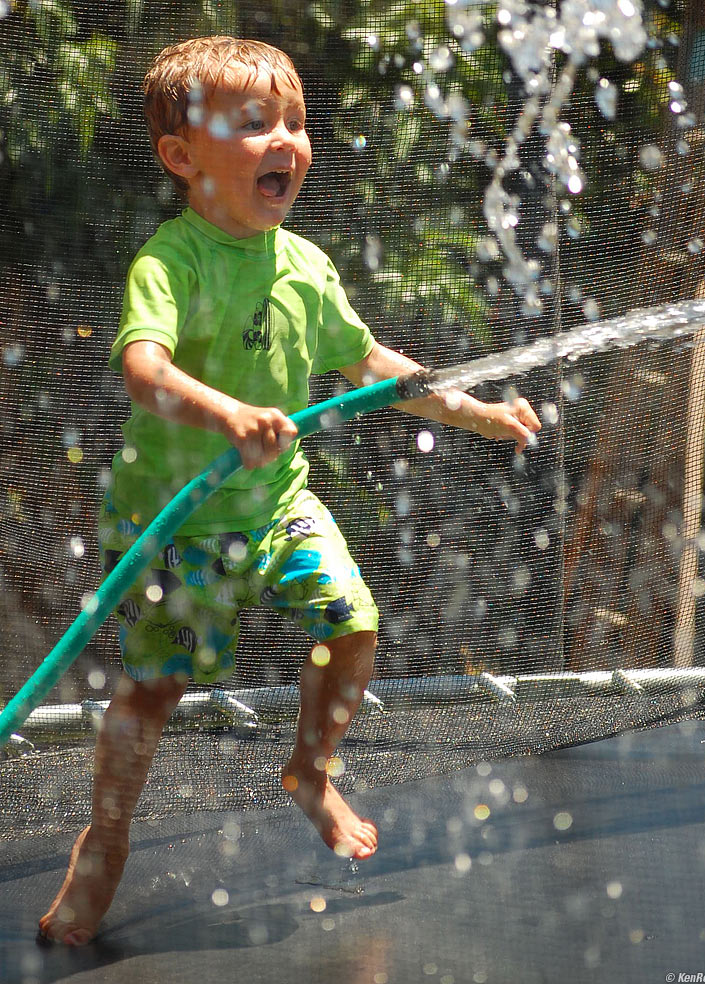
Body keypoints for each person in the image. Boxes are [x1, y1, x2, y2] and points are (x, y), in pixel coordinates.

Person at [39, 36, 542, 946]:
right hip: (177, 527)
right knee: (153, 692)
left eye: (297, 122)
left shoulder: (306, 268)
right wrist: (228, 414)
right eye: (255, 122)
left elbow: (377, 366)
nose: (287, 139)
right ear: (182, 157)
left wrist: (476, 412)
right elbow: (142, 368)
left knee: (352, 621)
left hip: (278, 503)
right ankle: (103, 842)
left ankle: (311, 770)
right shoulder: (172, 261)